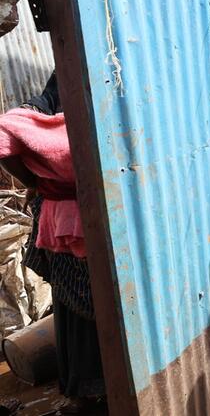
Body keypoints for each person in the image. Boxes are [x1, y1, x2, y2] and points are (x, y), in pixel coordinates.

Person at [0, 73, 106, 413]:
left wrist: (37, 180)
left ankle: (84, 391)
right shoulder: (78, 79)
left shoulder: (58, 88)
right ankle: (92, 390)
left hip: (59, 221)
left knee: (74, 307)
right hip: (81, 221)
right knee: (93, 308)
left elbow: (7, 134)